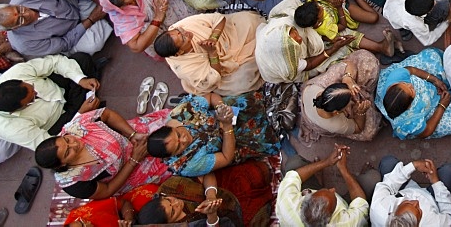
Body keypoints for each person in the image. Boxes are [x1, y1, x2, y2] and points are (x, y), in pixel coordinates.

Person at [35, 107, 171, 199]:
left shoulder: (76, 127)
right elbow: (107, 190)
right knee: (173, 154)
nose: (74, 144)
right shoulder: (73, 182)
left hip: (131, 135)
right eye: (68, 152)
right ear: (61, 165)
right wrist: (134, 160)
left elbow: (106, 114)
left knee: (171, 126)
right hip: (132, 172)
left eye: (67, 139)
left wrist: (132, 134)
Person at [147, 91, 279, 178]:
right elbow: (227, 157)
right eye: (178, 147)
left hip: (229, 115)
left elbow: (210, 97)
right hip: (233, 142)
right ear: (171, 156)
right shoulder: (186, 165)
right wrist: (227, 128)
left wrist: (221, 109)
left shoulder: (179, 113)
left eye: (178, 134)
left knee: (265, 100)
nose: (184, 139)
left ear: (170, 127)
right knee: (275, 132)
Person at [0, 54, 101, 151]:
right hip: (60, 121)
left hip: (62, 88)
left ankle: (87, 103)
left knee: (81, 59)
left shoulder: (16, 72)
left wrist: (80, 80)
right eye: (32, 99)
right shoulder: (10, 129)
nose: (37, 93)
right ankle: (87, 110)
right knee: (62, 144)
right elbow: (47, 144)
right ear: (16, 110)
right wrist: (80, 115)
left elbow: (55, 62)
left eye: (32, 88)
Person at [154, 11, 264, 96]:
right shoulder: (185, 69)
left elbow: (217, 18)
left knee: (250, 21)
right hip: (222, 68)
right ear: (180, 52)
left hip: (228, 34)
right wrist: (212, 53)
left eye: (180, 32)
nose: (185, 32)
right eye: (183, 38)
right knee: (244, 81)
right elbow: (214, 77)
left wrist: (213, 38)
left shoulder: (180, 26)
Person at [375, 47, 451, 139]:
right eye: (411, 90)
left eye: (404, 83)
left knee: (432, 55)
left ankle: (443, 85)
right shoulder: (409, 122)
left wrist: (433, 79)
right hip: (428, 108)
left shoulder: (395, 77)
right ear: (410, 106)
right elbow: (427, 131)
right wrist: (442, 106)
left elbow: (412, 70)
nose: (410, 85)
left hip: (425, 88)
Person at [299, 50, 383, 142]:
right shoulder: (335, 124)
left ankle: (360, 91)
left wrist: (347, 78)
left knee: (367, 59)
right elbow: (359, 128)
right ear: (337, 112)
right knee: (369, 131)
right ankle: (368, 94)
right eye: (351, 101)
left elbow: (348, 64)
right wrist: (361, 112)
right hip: (323, 120)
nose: (355, 97)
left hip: (320, 92)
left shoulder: (321, 89)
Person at [276, 144, 370, 226]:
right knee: (371, 179)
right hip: (347, 206)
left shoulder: (287, 204)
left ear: (305, 199)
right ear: (330, 219)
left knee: (294, 163)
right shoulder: (347, 224)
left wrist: (327, 162)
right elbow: (361, 204)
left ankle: (317, 181)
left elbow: (294, 176)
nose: (333, 189)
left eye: (327, 190)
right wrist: (343, 169)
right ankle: (352, 180)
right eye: (334, 201)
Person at [99, 0, 174, 59]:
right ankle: (171, 52)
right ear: (124, 5)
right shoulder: (121, 17)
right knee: (145, 30)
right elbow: (136, 46)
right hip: (155, 24)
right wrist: (157, 18)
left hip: (164, 1)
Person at [369, 154, 451, 226]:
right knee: (450, 171)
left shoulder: (379, 209)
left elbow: (387, 184)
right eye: (419, 211)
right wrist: (436, 182)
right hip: (433, 199)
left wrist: (413, 165)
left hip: (403, 189)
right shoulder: (435, 224)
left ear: (392, 214)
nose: (416, 201)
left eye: (407, 203)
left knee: (387, 162)